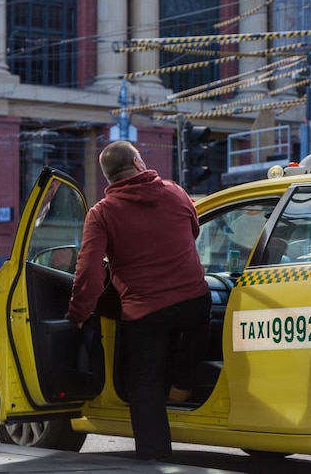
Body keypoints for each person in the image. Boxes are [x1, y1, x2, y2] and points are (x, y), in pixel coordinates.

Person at [66, 140, 210, 461]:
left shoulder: (102, 213)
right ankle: (184, 380)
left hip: (146, 312)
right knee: (198, 328)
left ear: (108, 178)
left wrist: (77, 315)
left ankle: (155, 458)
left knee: (145, 385)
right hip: (194, 300)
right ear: (138, 162)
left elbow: (87, 273)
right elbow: (194, 229)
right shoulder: (175, 192)